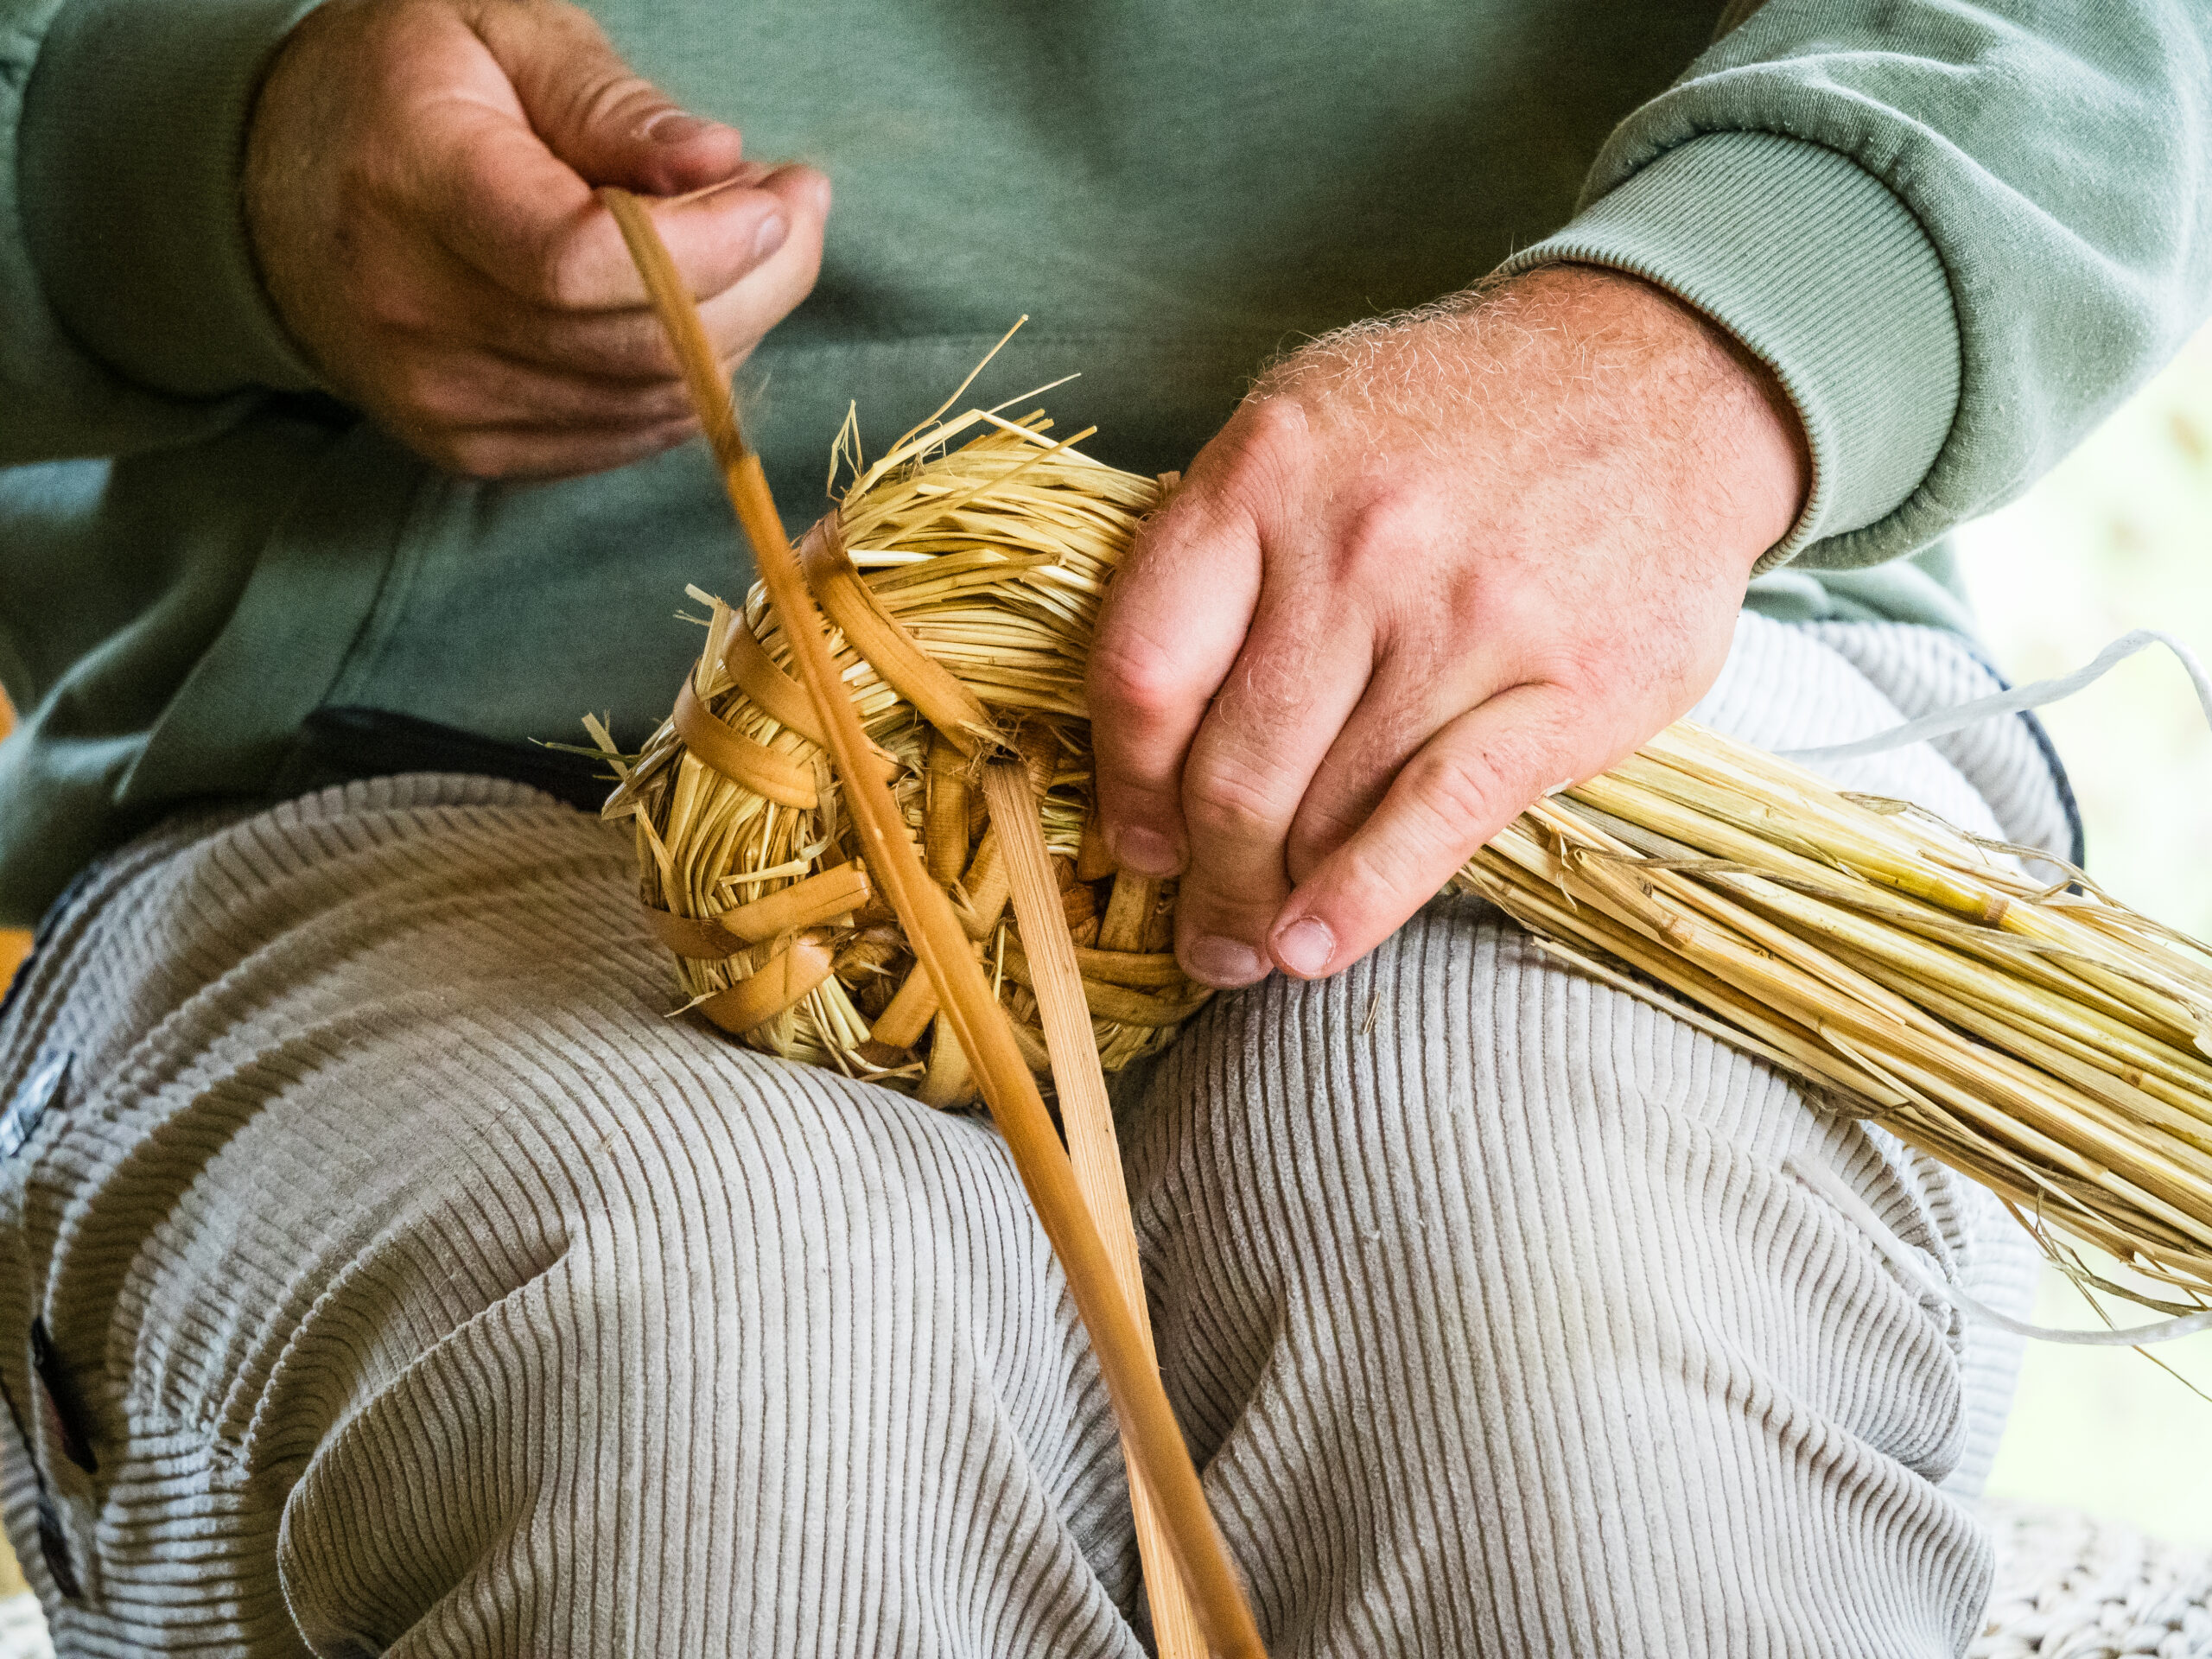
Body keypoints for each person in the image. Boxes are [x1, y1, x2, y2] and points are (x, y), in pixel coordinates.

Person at [0, 0, 2202, 1651]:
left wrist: (1701, 344)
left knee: (1567, 1345)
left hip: (1580, 677)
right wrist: (204, 153)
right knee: (697, 1402)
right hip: (450, 755)